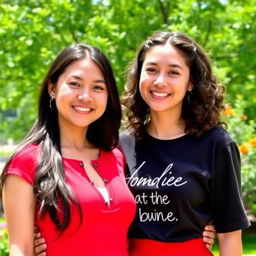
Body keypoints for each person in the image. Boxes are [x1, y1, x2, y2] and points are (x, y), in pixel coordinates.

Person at [119, 31, 250, 256]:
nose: (160, 81)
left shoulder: (217, 144)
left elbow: (229, 234)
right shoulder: (120, 145)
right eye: (151, 70)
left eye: (173, 72)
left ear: (190, 83)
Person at [0, 43, 137, 256]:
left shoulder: (115, 156)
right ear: (52, 88)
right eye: (75, 84)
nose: (85, 96)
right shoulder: (27, 162)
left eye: (98, 87)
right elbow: (21, 249)